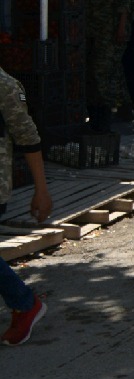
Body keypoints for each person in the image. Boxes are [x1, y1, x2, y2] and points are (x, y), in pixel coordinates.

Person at [0, 64, 53, 346]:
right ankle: (23, 302)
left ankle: (25, 303)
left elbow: (28, 138)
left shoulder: (5, 85)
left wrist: (41, 191)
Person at [74, 0, 131, 134]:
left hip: (108, 30)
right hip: (88, 30)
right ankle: (94, 117)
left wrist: (121, 27)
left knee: (102, 73)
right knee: (89, 74)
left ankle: (105, 119)